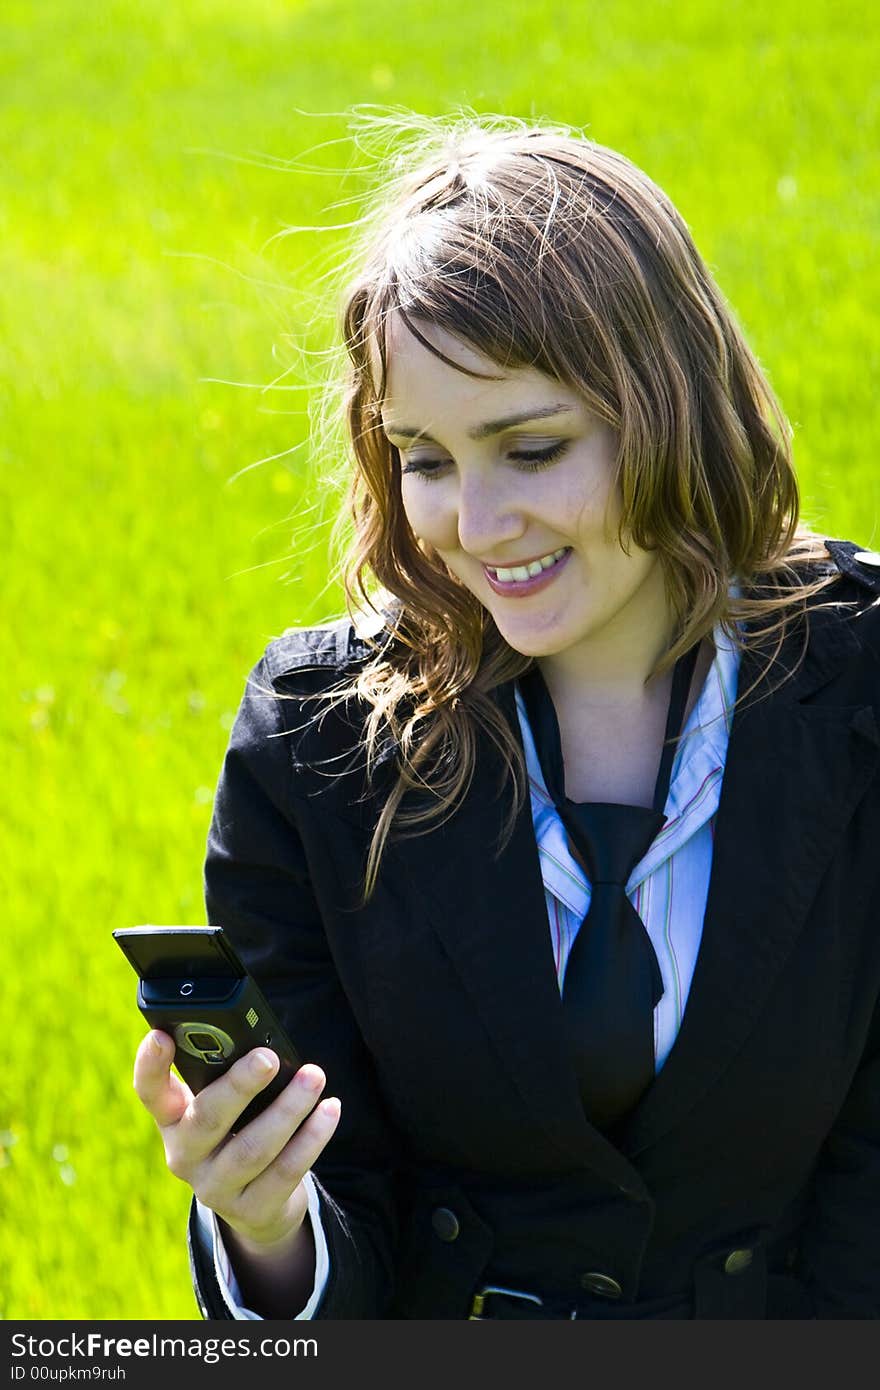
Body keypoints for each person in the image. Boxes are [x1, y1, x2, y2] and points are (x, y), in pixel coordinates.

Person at [133, 114, 880, 1320]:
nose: (476, 529)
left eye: (530, 449)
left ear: (670, 404)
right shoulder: (316, 746)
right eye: (424, 459)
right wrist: (268, 1225)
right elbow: (348, 1240)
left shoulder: (860, 685)